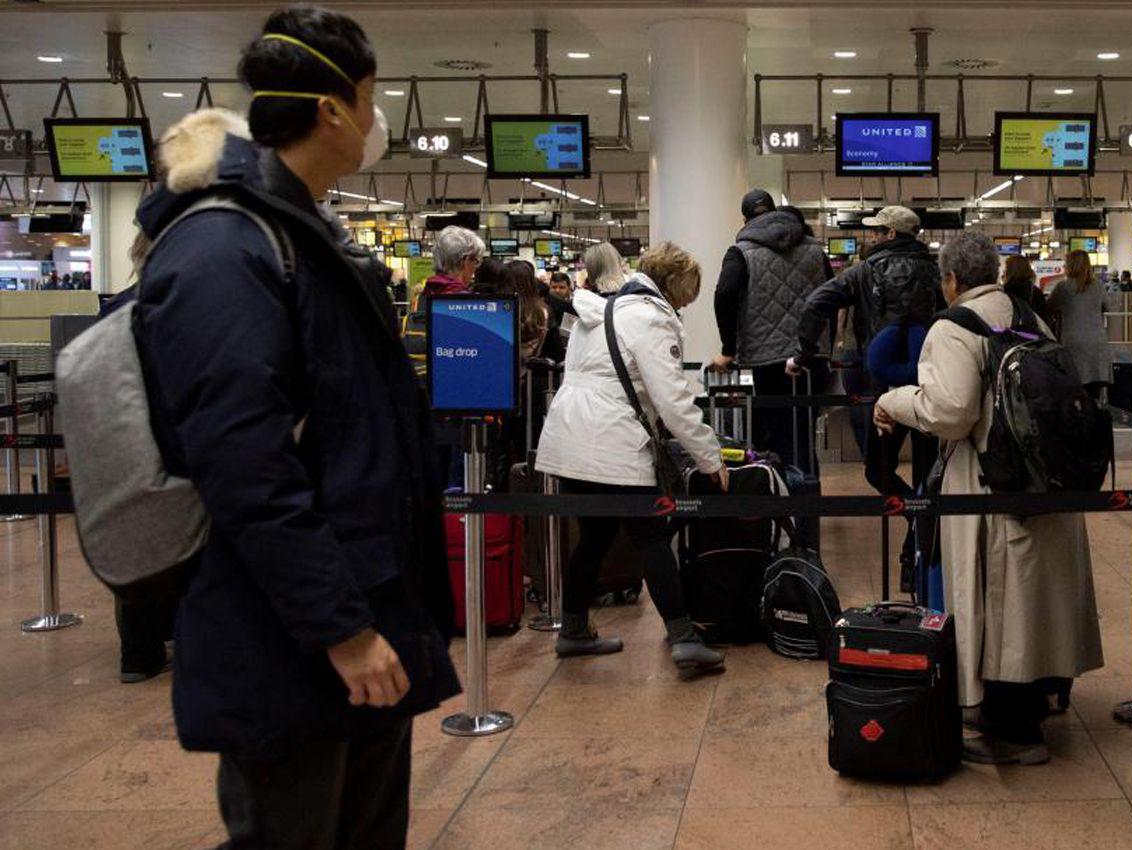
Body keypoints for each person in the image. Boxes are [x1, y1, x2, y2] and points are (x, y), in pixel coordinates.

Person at [130, 8, 460, 848]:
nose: (377, 119)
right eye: (371, 96)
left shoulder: (298, 238)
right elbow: (246, 467)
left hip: (359, 616)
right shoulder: (223, 249)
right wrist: (340, 631)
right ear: (332, 110)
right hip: (288, 641)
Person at [875, 231, 1103, 765]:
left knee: (999, 598)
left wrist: (893, 399)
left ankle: (1012, 730)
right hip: (1044, 480)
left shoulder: (955, 327)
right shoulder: (1029, 315)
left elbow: (950, 411)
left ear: (950, 280)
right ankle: (1045, 692)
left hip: (991, 484)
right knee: (1040, 594)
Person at [534, 242, 729, 677]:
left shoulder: (602, 311)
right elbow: (673, 401)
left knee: (594, 537)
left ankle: (574, 629)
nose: (684, 305)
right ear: (674, 286)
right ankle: (684, 639)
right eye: (685, 296)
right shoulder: (650, 320)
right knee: (651, 537)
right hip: (612, 442)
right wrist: (711, 458)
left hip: (569, 438)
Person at [788, 205, 942, 500]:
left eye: (876, 231)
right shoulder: (936, 272)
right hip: (929, 386)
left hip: (885, 391)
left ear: (891, 234)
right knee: (929, 473)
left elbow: (815, 304)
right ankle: (923, 535)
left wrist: (803, 354)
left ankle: (913, 520)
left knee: (877, 470)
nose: (871, 236)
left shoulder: (863, 272)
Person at [710, 191, 834, 467]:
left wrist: (728, 349)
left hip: (768, 362)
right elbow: (831, 300)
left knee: (777, 436)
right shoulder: (815, 249)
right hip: (811, 358)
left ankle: (784, 503)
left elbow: (724, 295)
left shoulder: (740, 252)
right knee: (804, 435)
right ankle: (808, 504)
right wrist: (825, 347)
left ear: (745, 219)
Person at [401, 225, 483, 379]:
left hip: (422, 385)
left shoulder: (421, 296)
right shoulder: (470, 304)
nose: (476, 268)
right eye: (476, 261)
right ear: (465, 261)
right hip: (456, 383)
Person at [1047, 250, 1113, 399]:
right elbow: (1108, 307)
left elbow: (1048, 307)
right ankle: (1093, 419)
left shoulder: (1063, 287)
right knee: (1093, 393)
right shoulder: (1098, 286)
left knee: (1074, 391)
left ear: (1070, 265)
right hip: (1097, 343)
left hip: (1073, 344)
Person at [1001, 253, 1048, 318]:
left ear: (1009, 272)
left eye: (1005, 270)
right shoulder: (1036, 293)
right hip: (1031, 327)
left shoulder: (1004, 293)